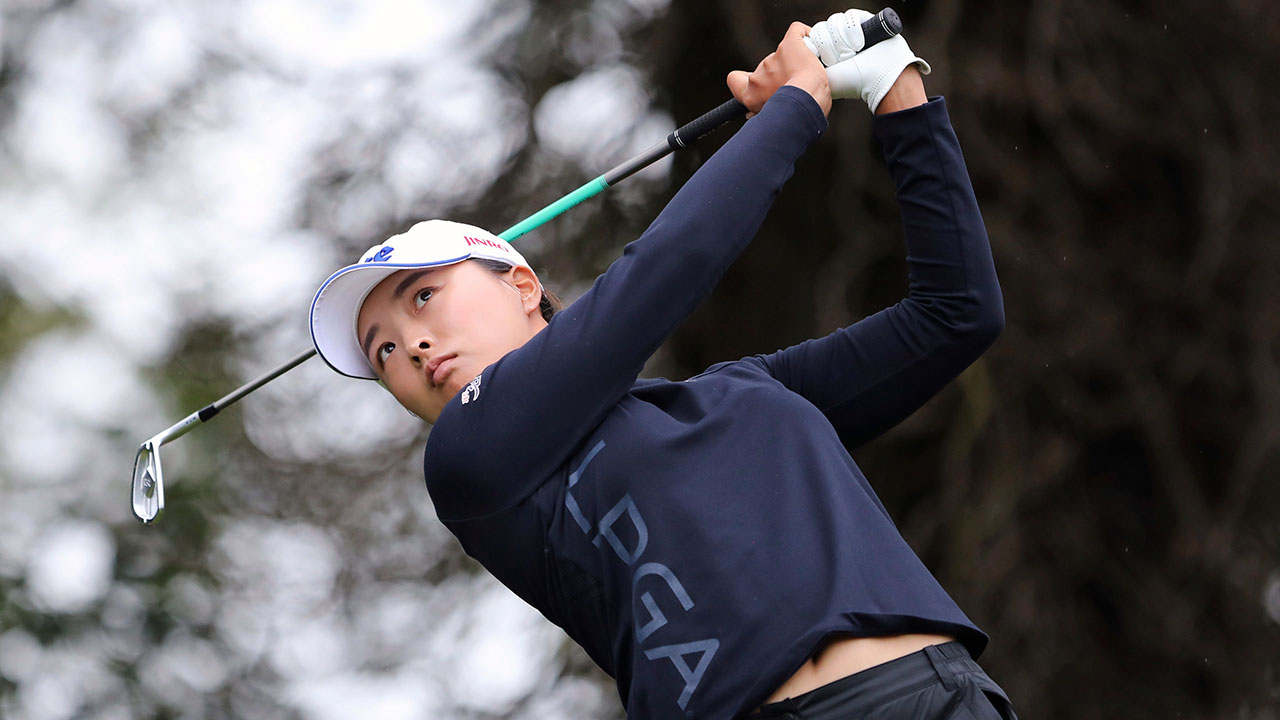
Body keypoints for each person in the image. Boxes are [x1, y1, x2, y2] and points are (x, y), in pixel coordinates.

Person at [308, 10, 1017, 720]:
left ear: (522, 285)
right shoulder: (470, 461)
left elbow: (955, 313)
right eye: (384, 352)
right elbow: (664, 270)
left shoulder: (742, 393)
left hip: (945, 694)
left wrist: (895, 85)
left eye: (423, 297)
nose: (413, 346)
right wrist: (797, 105)